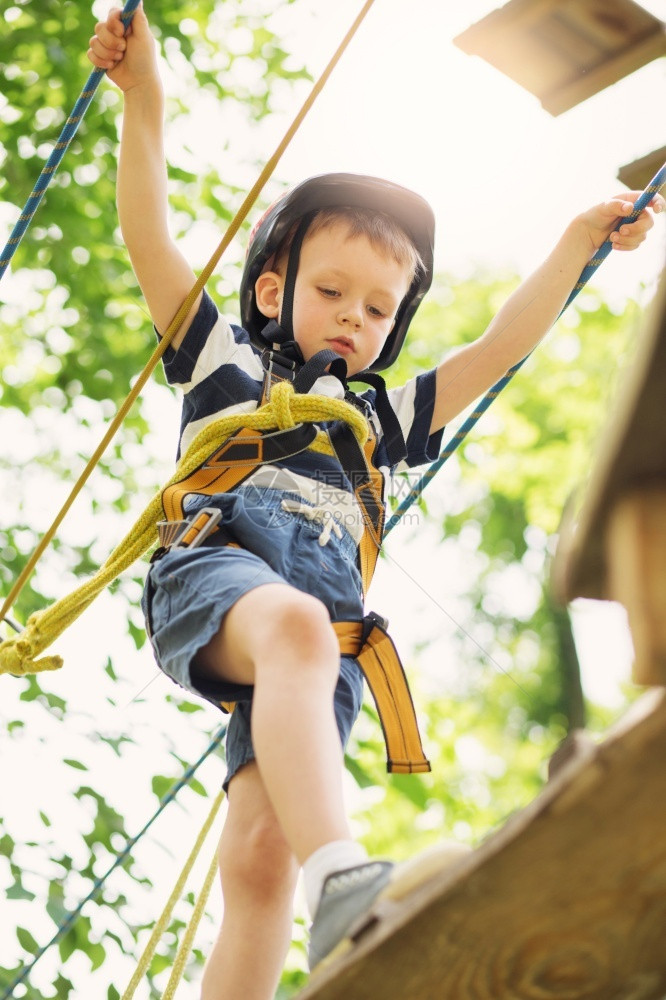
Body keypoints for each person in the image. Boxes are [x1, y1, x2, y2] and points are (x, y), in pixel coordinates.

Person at [87, 7, 663, 999]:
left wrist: (573, 245)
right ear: (274, 291)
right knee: (301, 633)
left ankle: (307, 898)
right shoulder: (226, 365)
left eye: (377, 308)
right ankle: (348, 881)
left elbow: (496, 348)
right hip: (219, 571)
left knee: (266, 853)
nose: (355, 318)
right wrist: (149, 99)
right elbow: (151, 234)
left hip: (319, 643)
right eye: (333, 291)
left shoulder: (383, 419)